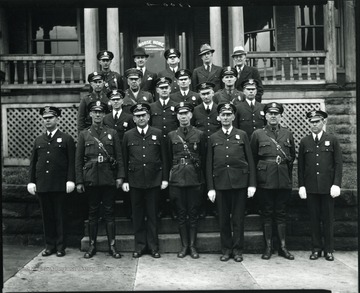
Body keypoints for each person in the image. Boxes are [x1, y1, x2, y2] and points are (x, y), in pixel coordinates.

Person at [206, 103, 256, 262]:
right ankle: (226, 250)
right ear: (219, 117)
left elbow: (250, 160)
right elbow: (209, 163)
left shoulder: (242, 135)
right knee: (223, 220)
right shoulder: (213, 137)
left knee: (238, 219)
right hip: (220, 184)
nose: (226, 117)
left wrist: (252, 184)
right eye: (223, 115)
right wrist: (211, 188)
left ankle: (238, 250)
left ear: (233, 117)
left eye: (229, 114)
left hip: (239, 183)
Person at [75, 101, 124, 259]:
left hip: (108, 177)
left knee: (110, 212)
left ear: (104, 114)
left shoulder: (112, 133)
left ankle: (112, 246)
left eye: (100, 112)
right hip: (91, 179)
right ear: (90, 114)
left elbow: (119, 157)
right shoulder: (84, 134)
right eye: (94, 112)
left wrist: (120, 177)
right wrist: (79, 181)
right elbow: (78, 160)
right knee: (93, 212)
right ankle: (92, 245)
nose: (97, 115)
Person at [122, 103, 169, 258]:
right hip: (135, 181)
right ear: (134, 119)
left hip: (154, 180)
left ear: (148, 117)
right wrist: (125, 180)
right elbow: (124, 159)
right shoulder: (128, 135)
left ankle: (153, 247)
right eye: (138, 116)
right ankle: (140, 246)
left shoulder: (158, 133)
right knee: (138, 215)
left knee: (153, 215)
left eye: (143, 115)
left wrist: (164, 179)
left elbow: (164, 158)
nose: (141, 118)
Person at [27, 106, 75, 257]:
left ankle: (60, 246)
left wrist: (70, 180)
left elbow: (71, 162)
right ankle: (49, 245)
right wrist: (31, 181)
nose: (47, 121)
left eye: (50, 118)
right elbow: (33, 162)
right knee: (46, 216)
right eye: (45, 118)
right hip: (43, 184)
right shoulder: (38, 140)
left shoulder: (67, 139)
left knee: (60, 216)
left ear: (57, 119)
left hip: (59, 184)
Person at [250, 102, 295, 260]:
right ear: (265, 116)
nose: (273, 116)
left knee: (281, 213)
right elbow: (253, 158)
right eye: (270, 113)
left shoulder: (287, 134)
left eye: (276, 113)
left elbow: (291, 157)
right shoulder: (258, 134)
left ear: (280, 115)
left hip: (282, 178)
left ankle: (282, 247)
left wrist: (287, 177)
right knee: (267, 213)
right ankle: (268, 247)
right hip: (265, 179)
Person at [298, 110, 343, 261]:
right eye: (311, 122)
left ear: (323, 122)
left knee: (328, 219)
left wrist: (336, 184)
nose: (314, 124)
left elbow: (338, 164)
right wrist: (302, 186)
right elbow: (301, 167)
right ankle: (316, 248)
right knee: (314, 219)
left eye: (317, 121)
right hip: (311, 188)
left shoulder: (332, 140)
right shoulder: (305, 141)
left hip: (327, 187)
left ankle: (329, 249)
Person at [167, 102, 206, 259]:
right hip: (177, 179)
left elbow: (203, 156)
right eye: (180, 114)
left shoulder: (199, 134)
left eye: (186, 113)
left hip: (194, 179)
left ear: (191, 115)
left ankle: (192, 246)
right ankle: (184, 246)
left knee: (193, 213)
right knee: (181, 214)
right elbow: (168, 157)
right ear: (177, 116)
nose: (183, 116)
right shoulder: (171, 135)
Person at [235, 79, 265, 216]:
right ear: (243, 91)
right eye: (248, 89)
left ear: (257, 91)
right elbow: (235, 128)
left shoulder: (262, 107)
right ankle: (246, 205)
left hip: (260, 146)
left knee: (258, 174)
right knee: (245, 174)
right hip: (244, 146)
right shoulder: (239, 107)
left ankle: (258, 204)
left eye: (253, 89)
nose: (251, 91)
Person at [103, 89, 135, 219]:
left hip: (125, 153)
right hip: (110, 154)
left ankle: (129, 211)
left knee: (126, 180)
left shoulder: (129, 117)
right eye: (113, 100)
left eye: (118, 99)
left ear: (122, 101)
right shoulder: (106, 118)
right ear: (110, 102)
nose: (116, 102)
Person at [150, 77, 179, 219]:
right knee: (160, 174)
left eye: (166, 87)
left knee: (173, 174)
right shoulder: (151, 107)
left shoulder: (177, 105)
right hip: (157, 146)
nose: (164, 90)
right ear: (157, 90)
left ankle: (174, 208)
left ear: (170, 88)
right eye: (161, 88)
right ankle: (161, 207)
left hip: (173, 145)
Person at [191, 82, 221, 217]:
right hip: (201, 149)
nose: (206, 96)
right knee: (202, 177)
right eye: (203, 94)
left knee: (216, 175)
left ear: (213, 93)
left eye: (208, 93)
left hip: (217, 148)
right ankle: (202, 207)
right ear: (199, 95)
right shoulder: (195, 110)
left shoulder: (219, 109)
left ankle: (215, 207)